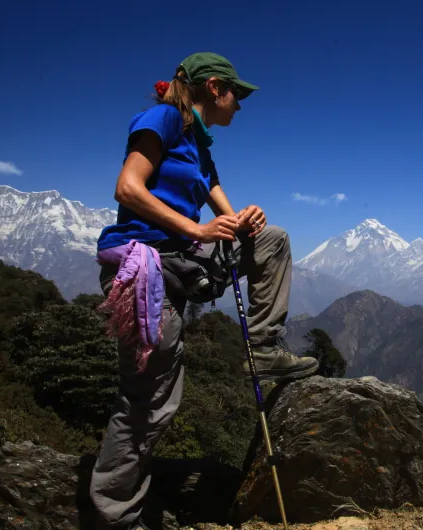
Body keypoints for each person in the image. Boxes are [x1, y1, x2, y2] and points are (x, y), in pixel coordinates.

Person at [89, 52, 318, 530]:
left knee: (272, 240)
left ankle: (262, 346)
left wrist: (245, 221)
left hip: (184, 259)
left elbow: (228, 224)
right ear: (214, 88)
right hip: (146, 267)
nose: (241, 104)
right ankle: (115, 517)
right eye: (238, 94)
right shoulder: (165, 119)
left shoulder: (199, 145)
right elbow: (128, 189)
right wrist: (196, 230)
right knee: (149, 402)